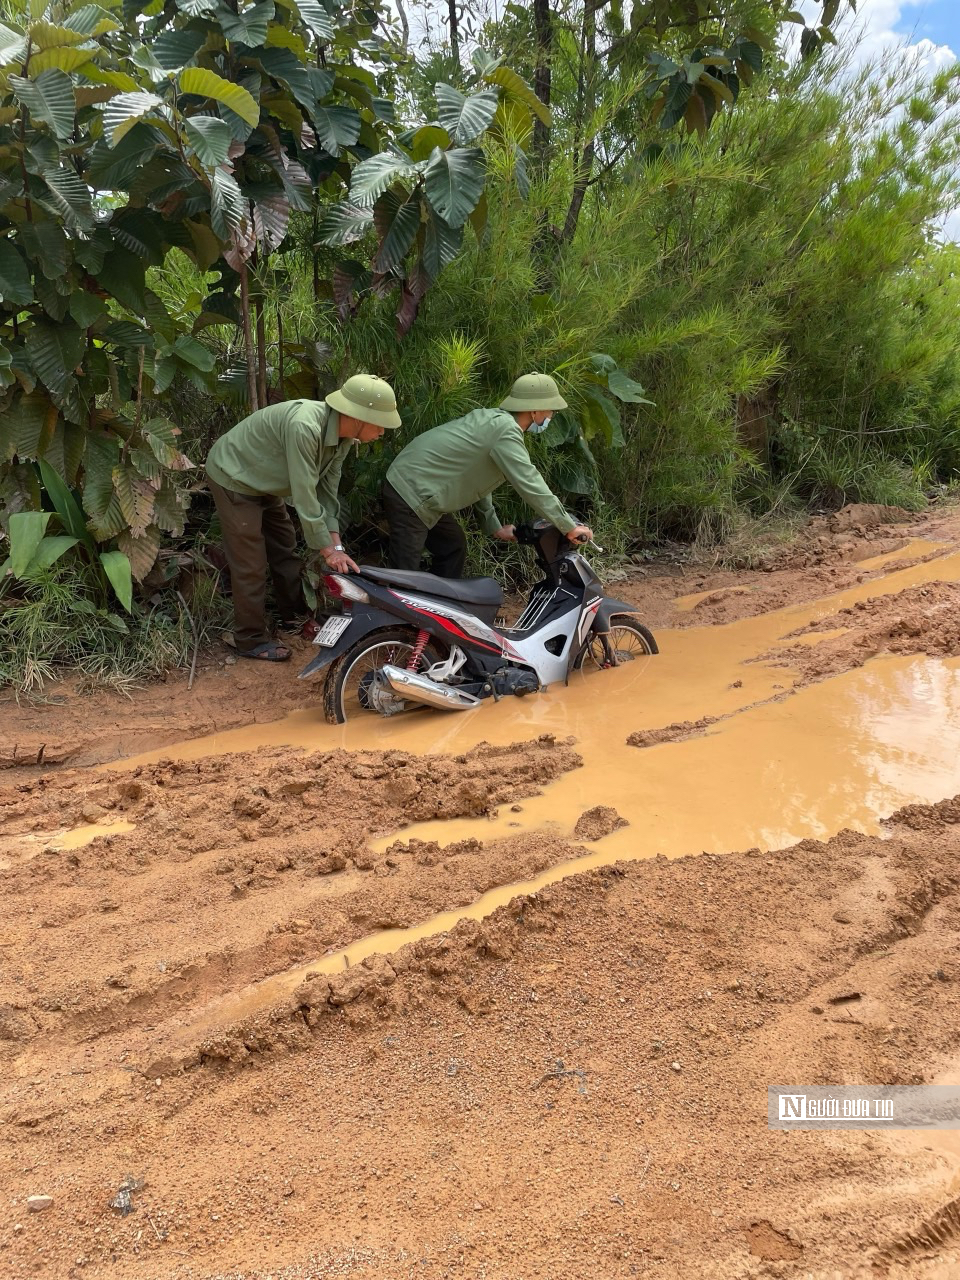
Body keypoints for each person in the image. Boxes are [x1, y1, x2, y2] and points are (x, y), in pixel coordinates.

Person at [206, 374, 401, 661]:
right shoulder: (305, 426)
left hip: (266, 480)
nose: (384, 431)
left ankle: (294, 619)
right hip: (234, 476)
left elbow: (327, 493)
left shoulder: (343, 437)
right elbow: (305, 494)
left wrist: (336, 546)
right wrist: (327, 551)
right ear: (359, 417)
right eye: (381, 423)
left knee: (285, 548)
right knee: (250, 563)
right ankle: (250, 639)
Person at [383, 372, 593, 578]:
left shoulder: (493, 420)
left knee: (453, 547)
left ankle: (438, 606)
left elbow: (478, 477)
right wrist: (568, 526)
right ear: (534, 410)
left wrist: (493, 526)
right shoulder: (506, 432)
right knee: (404, 574)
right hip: (412, 491)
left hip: (415, 484)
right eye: (551, 411)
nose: (551, 417)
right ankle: (399, 610)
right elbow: (530, 483)